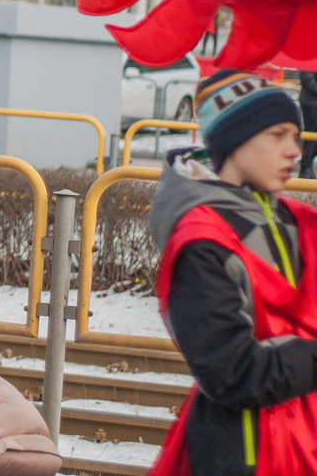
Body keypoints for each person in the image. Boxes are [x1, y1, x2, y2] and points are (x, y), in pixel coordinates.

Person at [148, 69, 317, 476]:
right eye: (278, 135)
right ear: (235, 138)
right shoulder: (201, 242)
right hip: (246, 454)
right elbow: (232, 374)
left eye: (296, 136)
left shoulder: (297, 221)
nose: (295, 150)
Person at [298, 71, 317, 180]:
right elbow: (308, 80)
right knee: (311, 136)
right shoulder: (309, 60)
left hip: (312, 102)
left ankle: (309, 167)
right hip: (311, 104)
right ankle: (306, 168)